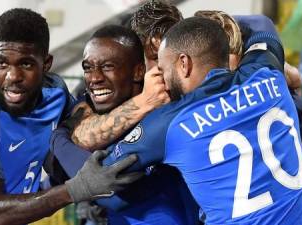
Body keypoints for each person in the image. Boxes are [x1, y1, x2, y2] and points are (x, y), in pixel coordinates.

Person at [0, 8, 143, 225]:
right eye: (2, 63)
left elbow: (90, 129)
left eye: (25, 64)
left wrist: (147, 100)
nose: (12, 76)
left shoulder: (56, 95)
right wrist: (75, 189)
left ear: (46, 64)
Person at [103, 16, 302, 224]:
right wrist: (205, 26)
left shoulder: (170, 123)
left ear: (183, 63)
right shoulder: (266, 72)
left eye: (163, 69)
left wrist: (143, 103)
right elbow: (261, 23)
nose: (163, 81)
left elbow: (106, 181)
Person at [47, 25, 199, 225]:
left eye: (108, 66)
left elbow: (116, 196)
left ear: (138, 71)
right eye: (87, 68)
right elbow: (56, 168)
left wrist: (58, 139)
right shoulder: (95, 113)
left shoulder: (164, 119)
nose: (94, 78)